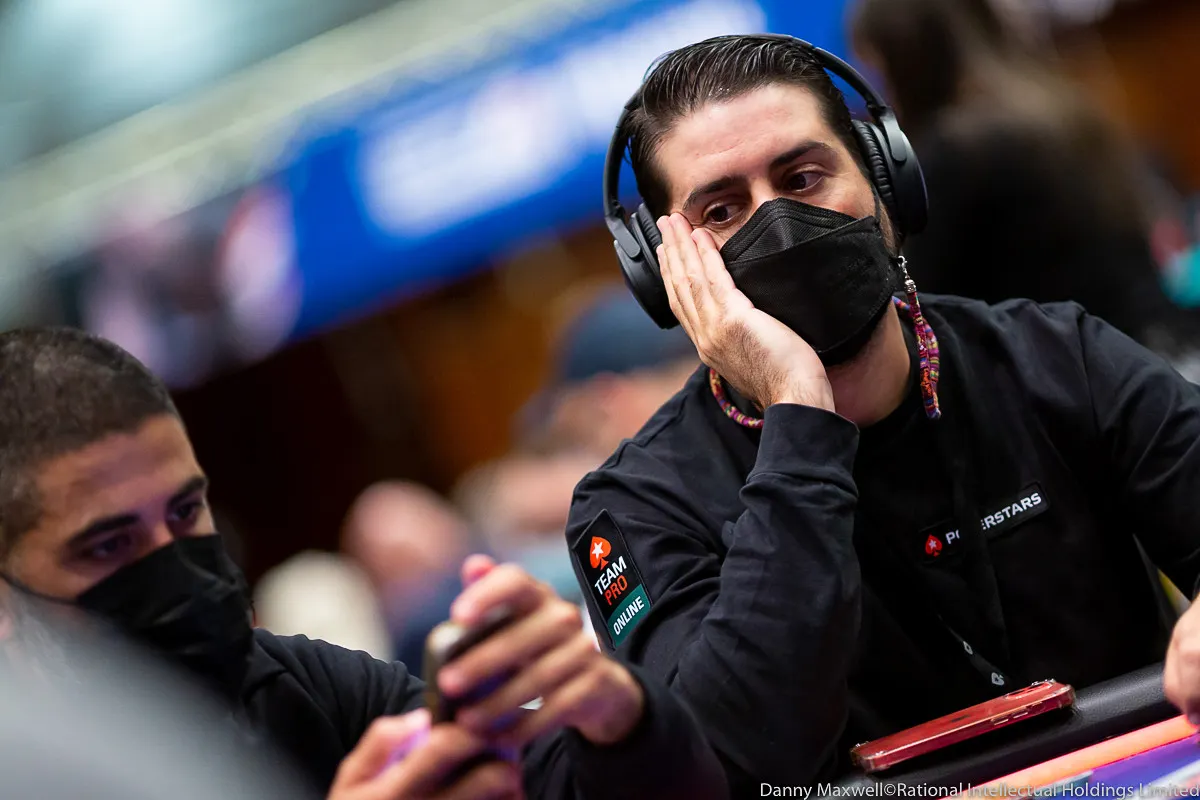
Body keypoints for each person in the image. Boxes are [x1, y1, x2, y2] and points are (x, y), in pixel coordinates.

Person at [567, 33, 1200, 795]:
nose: (779, 226)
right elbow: (733, 758)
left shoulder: (1057, 357)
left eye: (802, 178)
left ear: (885, 179)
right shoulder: (637, 504)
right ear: (664, 270)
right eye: (723, 210)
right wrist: (799, 413)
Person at [0, 327, 728, 800]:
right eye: (108, 545)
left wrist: (614, 714)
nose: (175, 565)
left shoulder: (296, 686)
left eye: (186, 511)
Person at [848, 0, 1200, 378]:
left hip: (1091, 380)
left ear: (908, 61)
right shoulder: (1061, 109)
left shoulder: (957, 154)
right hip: (1162, 353)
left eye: (878, 73)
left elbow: (920, 308)